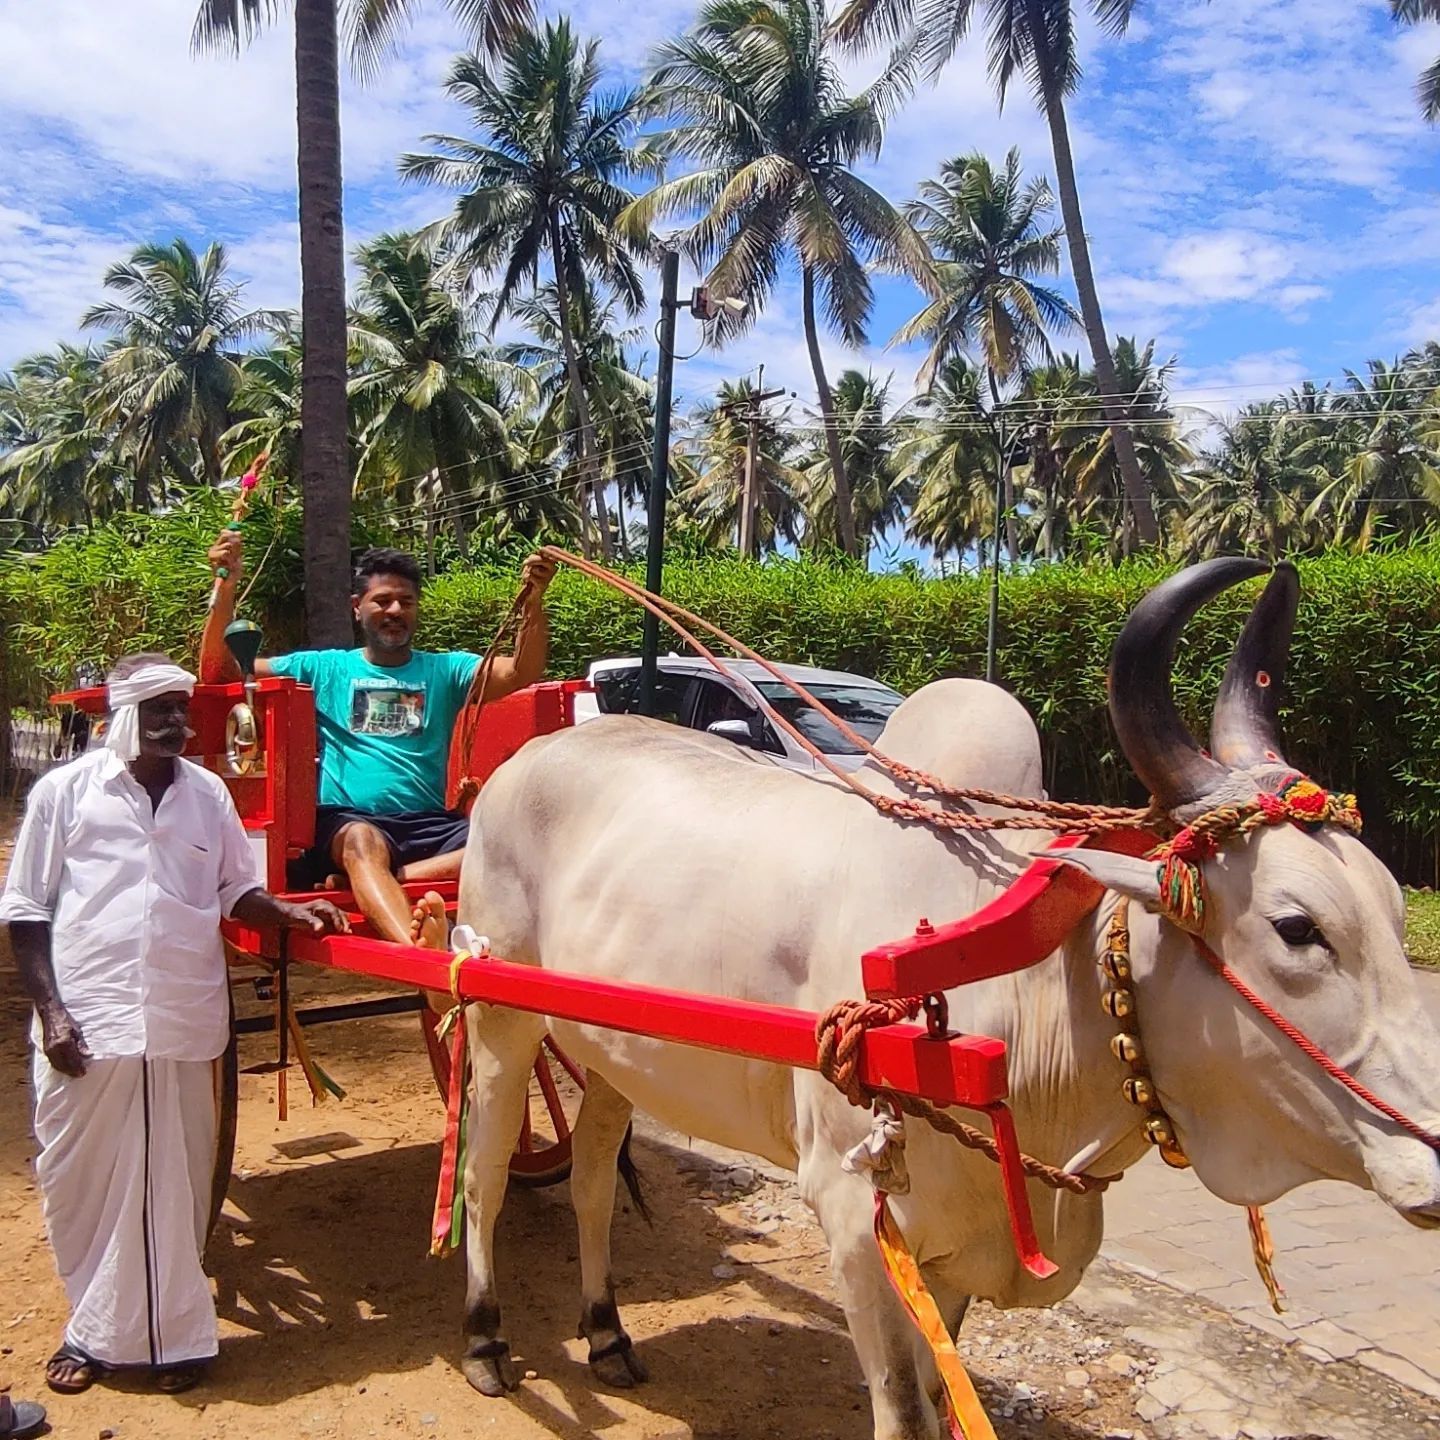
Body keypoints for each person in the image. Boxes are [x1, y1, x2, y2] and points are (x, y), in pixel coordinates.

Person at [0, 654, 348, 1396]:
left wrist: (288, 912)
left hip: (184, 1016)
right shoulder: (64, 794)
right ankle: (91, 1333)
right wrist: (51, 1011)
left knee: (180, 1183)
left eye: (181, 711)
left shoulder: (207, 794)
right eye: (158, 711)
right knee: (79, 1181)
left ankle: (176, 1336)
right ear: (121, 714)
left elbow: (235, 890)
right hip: (87, 1023)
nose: (175, 725)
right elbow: (26, 912)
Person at [199, 535, 556, 951]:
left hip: (427, 826)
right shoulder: (322, 667)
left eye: (406, 602)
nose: (395, 611)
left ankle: (388, 876)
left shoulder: (447, 669)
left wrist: (533, 602)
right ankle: (420, 956)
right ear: (357, 608)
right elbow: (219, 673)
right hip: (348, 822)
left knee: (515, 842)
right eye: (382, 601)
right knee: (362, 844)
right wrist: (225, 587)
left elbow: (521, 672)